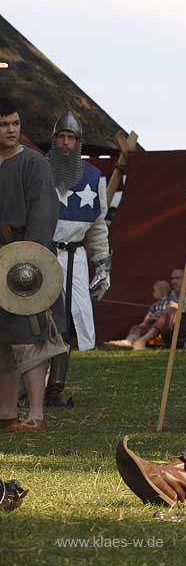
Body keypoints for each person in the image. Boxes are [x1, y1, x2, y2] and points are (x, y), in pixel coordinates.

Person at [0, 98, 68, 432]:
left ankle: (37, 415)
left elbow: (43, 214)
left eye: (14, 123)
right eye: (3, 125)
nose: (11, 130)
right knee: (3, 343)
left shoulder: (34, 164)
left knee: (30, 339)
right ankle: (7, 415)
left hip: (25, 263)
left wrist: (30, 261)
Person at [47, 110, 112, 407]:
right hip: (42, 254)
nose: (64, 142)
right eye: (60, 136)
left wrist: (102, 264)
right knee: (36, 321)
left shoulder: (93, 178)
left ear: (78, 142)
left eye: (70, 137)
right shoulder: (39, 169)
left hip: (75, 257)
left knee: (68, 324)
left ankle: (54, 388)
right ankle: (27, 387)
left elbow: (98, 227)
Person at [106, 280, 176, 350]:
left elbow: (171, 316)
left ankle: (140, 342)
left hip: (162, 329)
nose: (153, 293)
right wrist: (150, 318)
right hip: (151, 326)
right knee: (137, 327)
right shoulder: (154, 305)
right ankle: (129, 341)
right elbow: (146, 320)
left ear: (161, 292)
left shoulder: (171, 303)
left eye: (155, 291)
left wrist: (161, 317)